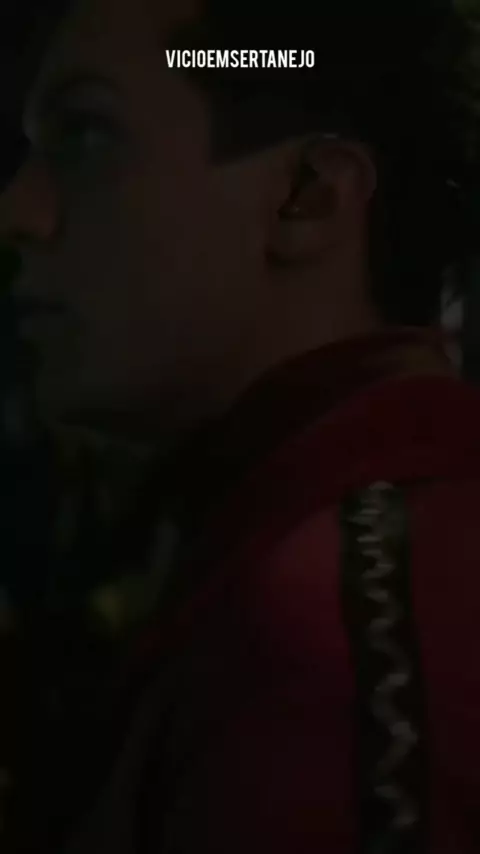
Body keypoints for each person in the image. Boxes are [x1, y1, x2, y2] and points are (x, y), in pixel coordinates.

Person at [1, 0, 480, 851]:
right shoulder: (321, 550)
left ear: (307, 197)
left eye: (86, 135)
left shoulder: (321, 641)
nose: (18, 212)